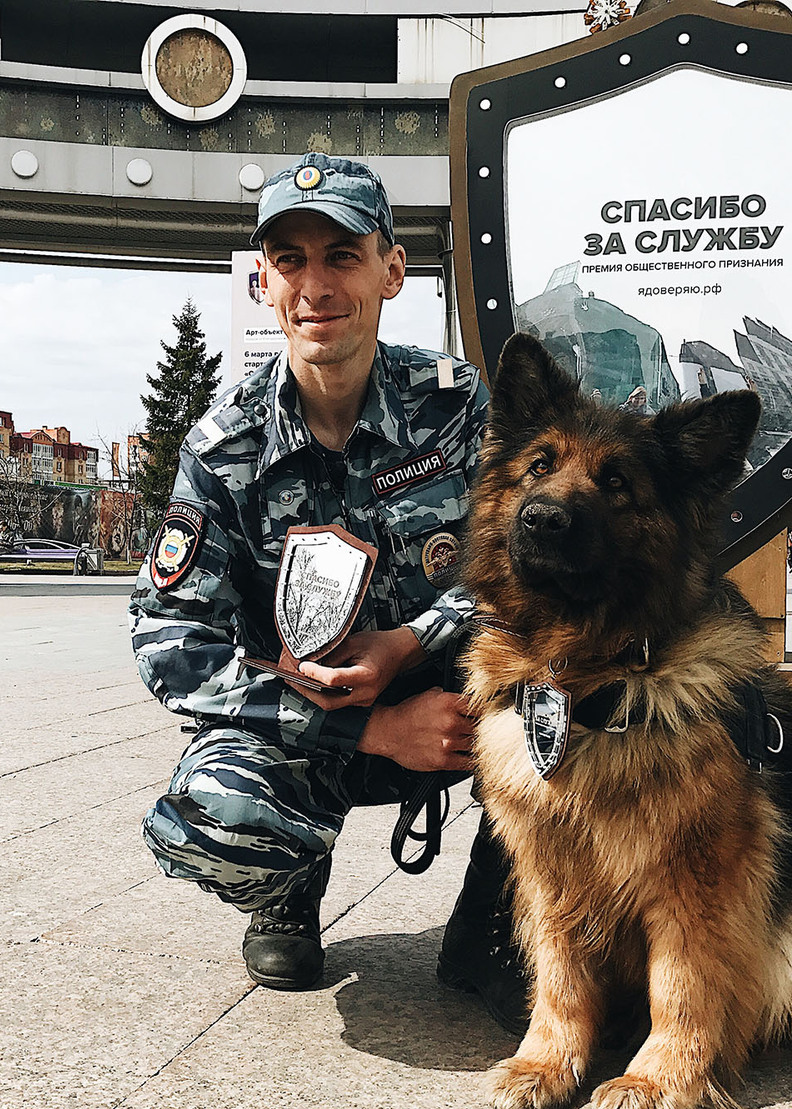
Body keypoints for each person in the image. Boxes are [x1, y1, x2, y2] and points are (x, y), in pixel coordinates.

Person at [128, 153, 519, 1021]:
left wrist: (409, 644)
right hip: (313, 721)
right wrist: (372, 727)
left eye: (342, 255)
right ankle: (286, 887)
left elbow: (525, 568)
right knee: (216, 818)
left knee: (564, 686)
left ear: (391, 270)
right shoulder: (223, 447)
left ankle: (500, 915)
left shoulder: (458, 409)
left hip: (460, 696)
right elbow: (171, 640)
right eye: (292, 259)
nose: (316, 284)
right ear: (264, 279)